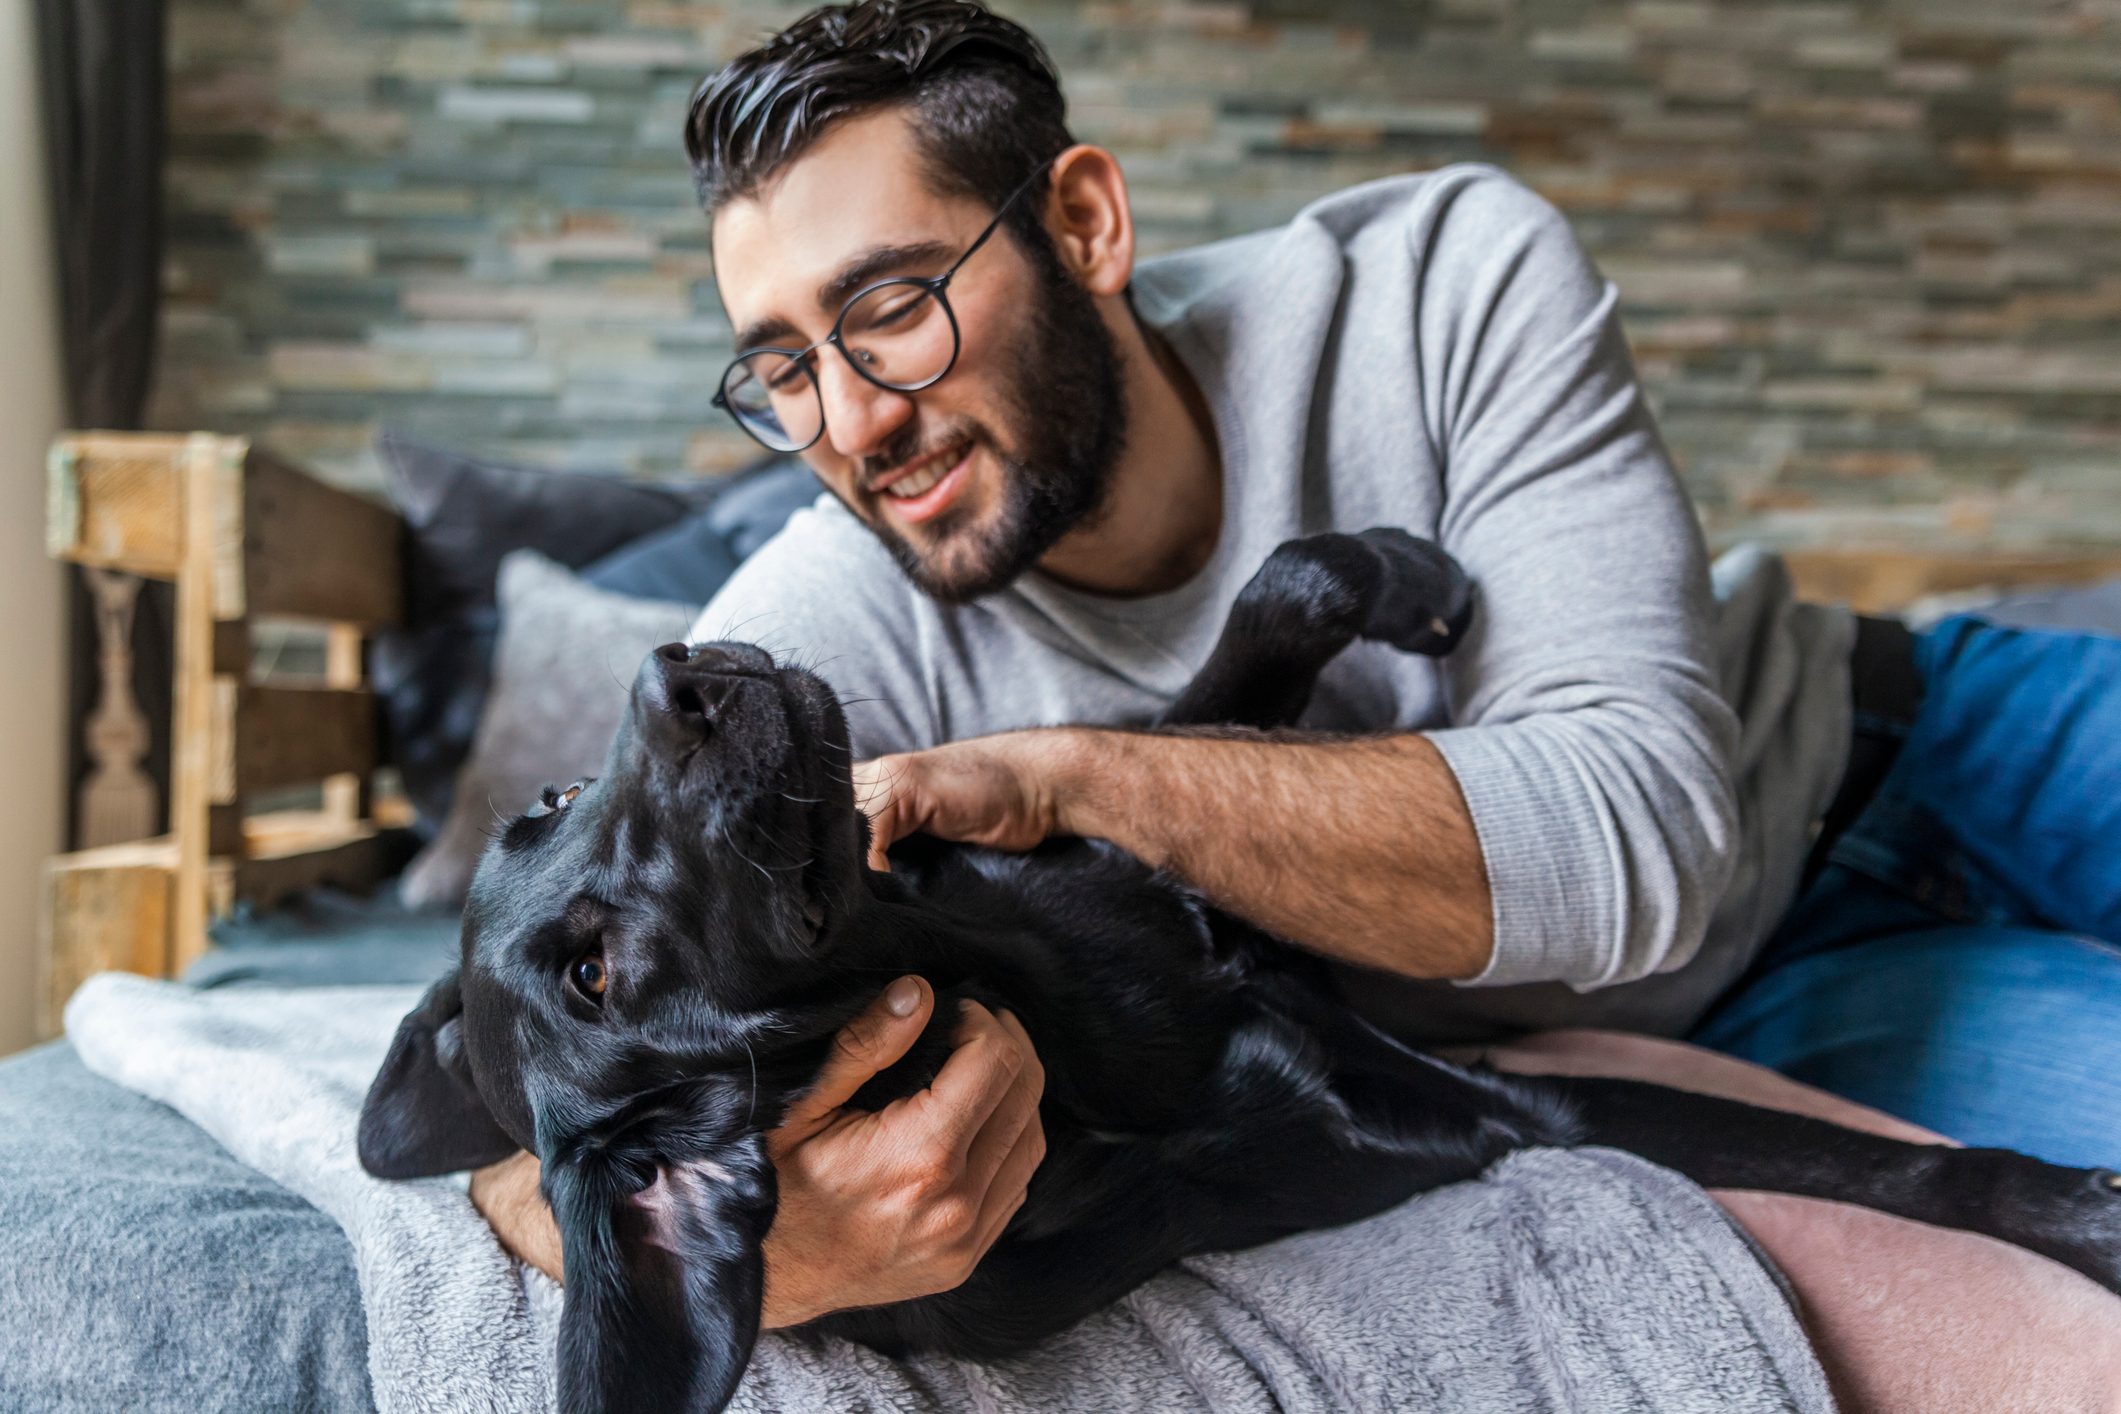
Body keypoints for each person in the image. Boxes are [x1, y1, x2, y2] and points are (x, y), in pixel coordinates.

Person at [473, 1, 2121, 1401]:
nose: (849, 422)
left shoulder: (1438, 281)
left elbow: (1634, 831)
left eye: (889, 309)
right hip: (1731, 1001)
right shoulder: (798, 643)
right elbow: (525, 1051)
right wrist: (743, 1236)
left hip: (1925, 723)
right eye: (779, 366)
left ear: (1084, 225)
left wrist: (1071, 776)